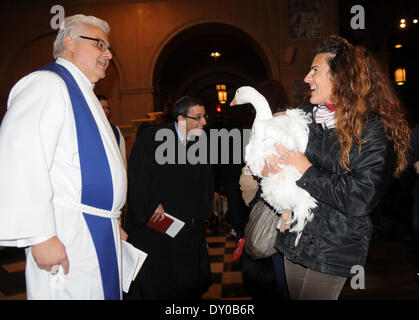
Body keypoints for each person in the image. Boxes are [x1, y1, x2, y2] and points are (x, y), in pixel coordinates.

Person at [262, 35, 410, 300]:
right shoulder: (305, 117)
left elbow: (360, 198)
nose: (307, 78)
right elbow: (279, 164)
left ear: (340, 76)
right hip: (293, 235)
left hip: (334, 245)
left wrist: (306, 170)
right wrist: (274, 174)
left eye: (315, 70)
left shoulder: (374, 130)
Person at [0, 14, 127, 300]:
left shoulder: (85, 94)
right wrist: (40, 236)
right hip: (69, 233)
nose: (108, 54)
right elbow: (20, 156)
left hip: (98, 228)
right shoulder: (48, 83)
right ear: (68, 42)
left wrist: (112, 222)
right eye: (99, 44)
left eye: (109, 48)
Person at [124, 96, 214, 300]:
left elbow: (205, 180)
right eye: (198, 117)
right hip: (158, 223)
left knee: (186, 280)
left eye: (204, 116)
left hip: (187, 225)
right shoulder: (152, 136)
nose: (204, 122)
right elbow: (138, 174)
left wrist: (200, 213)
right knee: (160, 280)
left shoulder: (201, 141)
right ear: (182, 118)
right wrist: (151, 202)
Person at [238, 80, 290, 300]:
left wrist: (251, 198)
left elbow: (248, 180)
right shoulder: (297, 123)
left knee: (279, 279)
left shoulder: (263, 129)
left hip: (276, 214)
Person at [96, 94, 127, 167]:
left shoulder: (115, 130)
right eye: (103, 107)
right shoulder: (89, 128)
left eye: (107, 108)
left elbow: (122, 157)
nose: (106, 111)